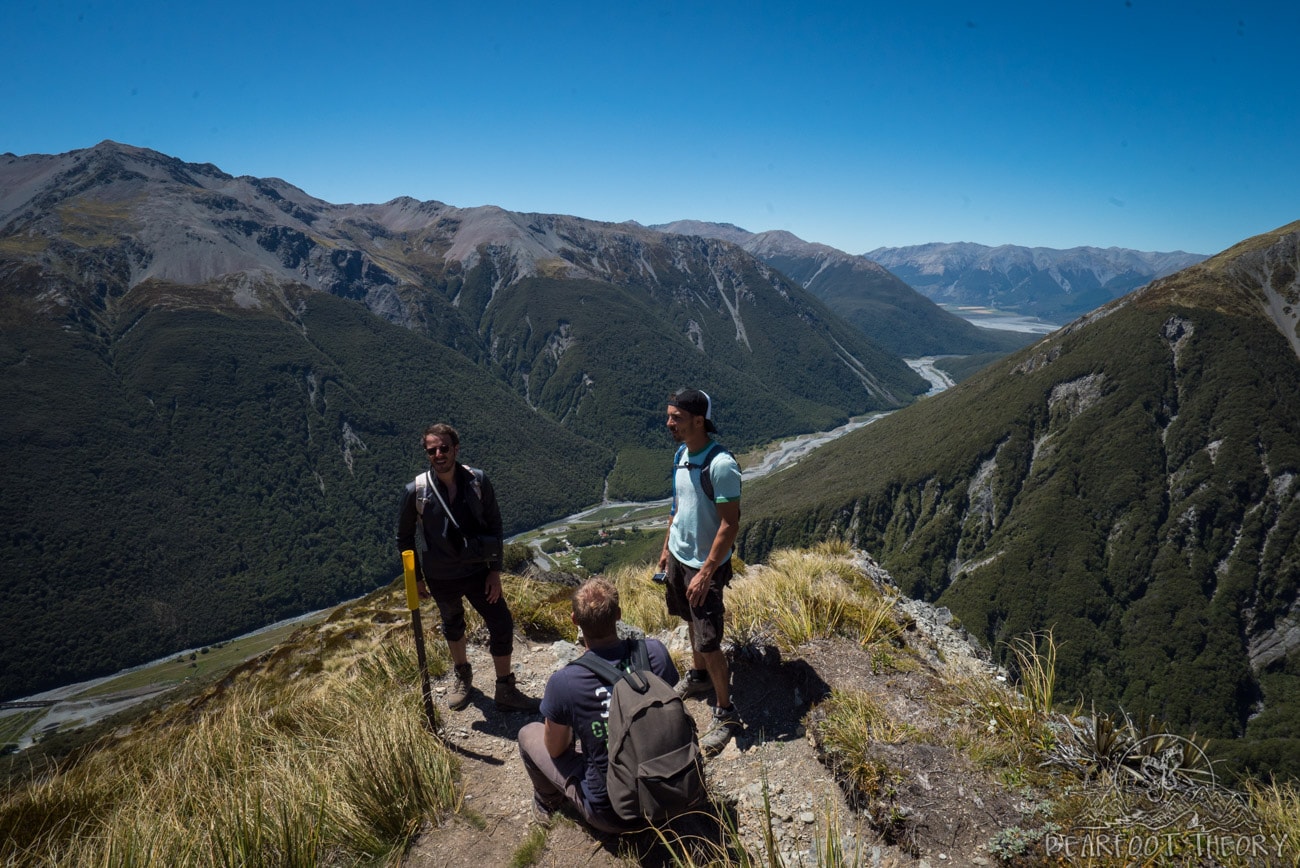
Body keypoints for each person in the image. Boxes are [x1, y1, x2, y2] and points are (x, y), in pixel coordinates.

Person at [396, 423, 538, 712]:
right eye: (432, 450)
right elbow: (404, 536)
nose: (438, 454)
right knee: (453, 625)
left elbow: (495, 524)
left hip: (478, 572)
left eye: (444, 448)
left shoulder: (477, 481)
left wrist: (494, 571)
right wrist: (416, 579)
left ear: (456, 448)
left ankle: (505, 688)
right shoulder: (416, 491)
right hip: (441, 575)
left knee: (501, 622)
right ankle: (463, 675)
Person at [518, 577, 679, 831]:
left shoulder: (565, 682)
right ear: (619, 615)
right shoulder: (655, 652)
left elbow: (556, 749)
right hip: (673, 790)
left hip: (614, 816)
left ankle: (548, 800)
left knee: (528, 734)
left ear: (575, 621)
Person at [657, 388, 743, 756]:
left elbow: (730, 524)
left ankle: (726, 712)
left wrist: (707, 572)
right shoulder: (681, 455)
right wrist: (666, 549)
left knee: (708, 639)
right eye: (670, 416)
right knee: (690, 622)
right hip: (679, 557)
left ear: (698, 420)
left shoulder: (721, 465)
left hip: (702, 566)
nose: (669, 423)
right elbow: (678, 507)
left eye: (676, 417)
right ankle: (698, 677)